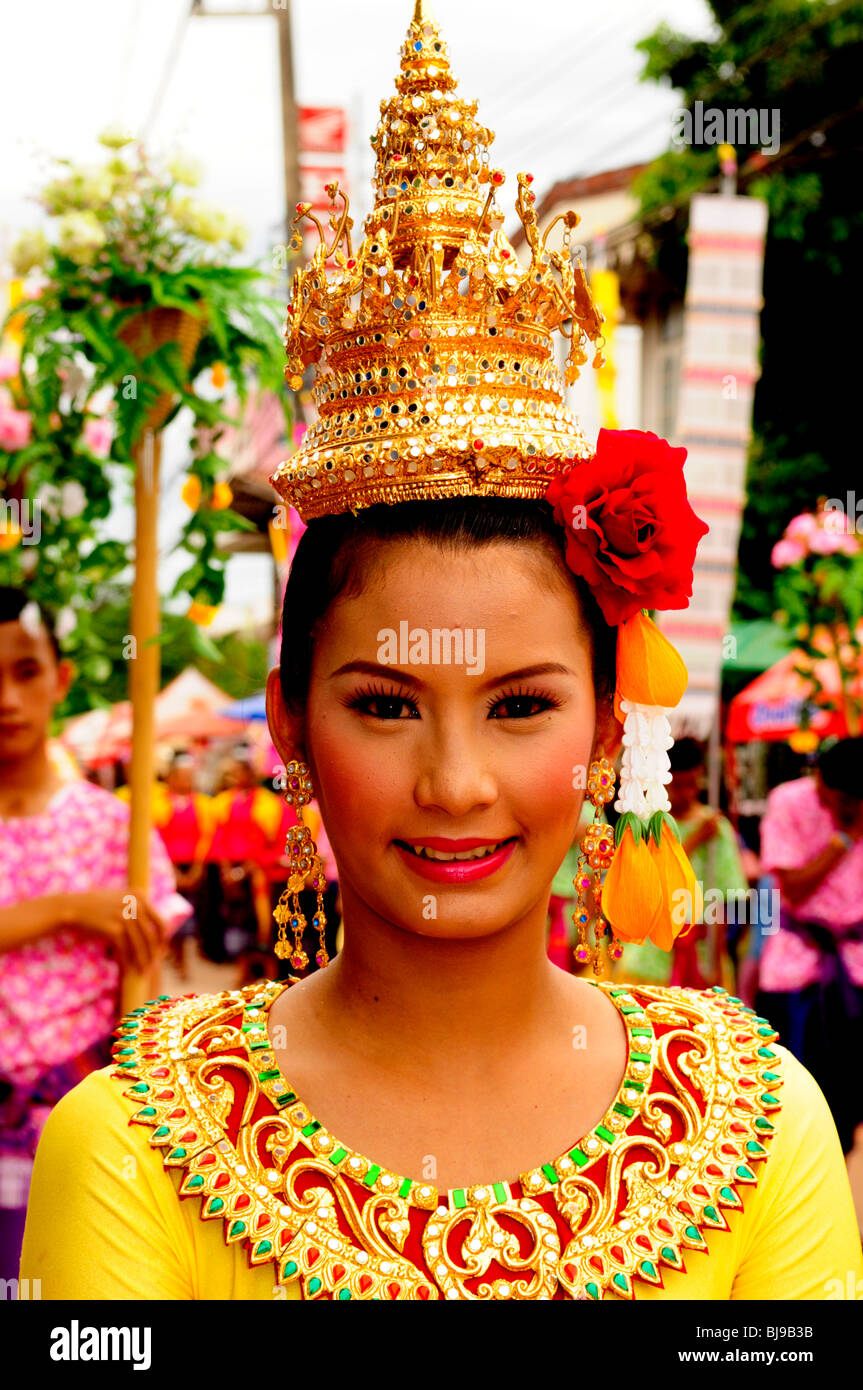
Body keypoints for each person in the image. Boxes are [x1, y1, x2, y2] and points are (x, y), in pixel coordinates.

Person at [20, 5, 861, 1301]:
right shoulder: (136, 1145)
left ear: (603, 723)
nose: (455, 780)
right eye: (386, 703)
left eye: (520, 702)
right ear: (290, 721)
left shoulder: (753, 1127)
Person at [0, 588, 189, 1282]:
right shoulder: (92, 879)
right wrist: (69, 910)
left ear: (61, 679)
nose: (8, 699)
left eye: (25, 672)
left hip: (73, 1124)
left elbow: (142, 988)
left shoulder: (116, 829)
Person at [755, 737, 863, 1154]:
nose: (847, 805)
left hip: (855, 970)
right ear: (820, 779)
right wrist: (844, 838)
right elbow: (794, 891)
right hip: (797, 969)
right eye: (839, 798)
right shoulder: (789, 802)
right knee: (793, 1098)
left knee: (848, 1104)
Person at [615, 739, 749, 990]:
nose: (685, 793)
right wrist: (694, 840)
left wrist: (717, 964)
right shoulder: (643, 825)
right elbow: (645, 881)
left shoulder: (716, 828)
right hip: (648, 959)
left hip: (701, 956)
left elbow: (720, 901)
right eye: (677, 785)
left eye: (692, 784)